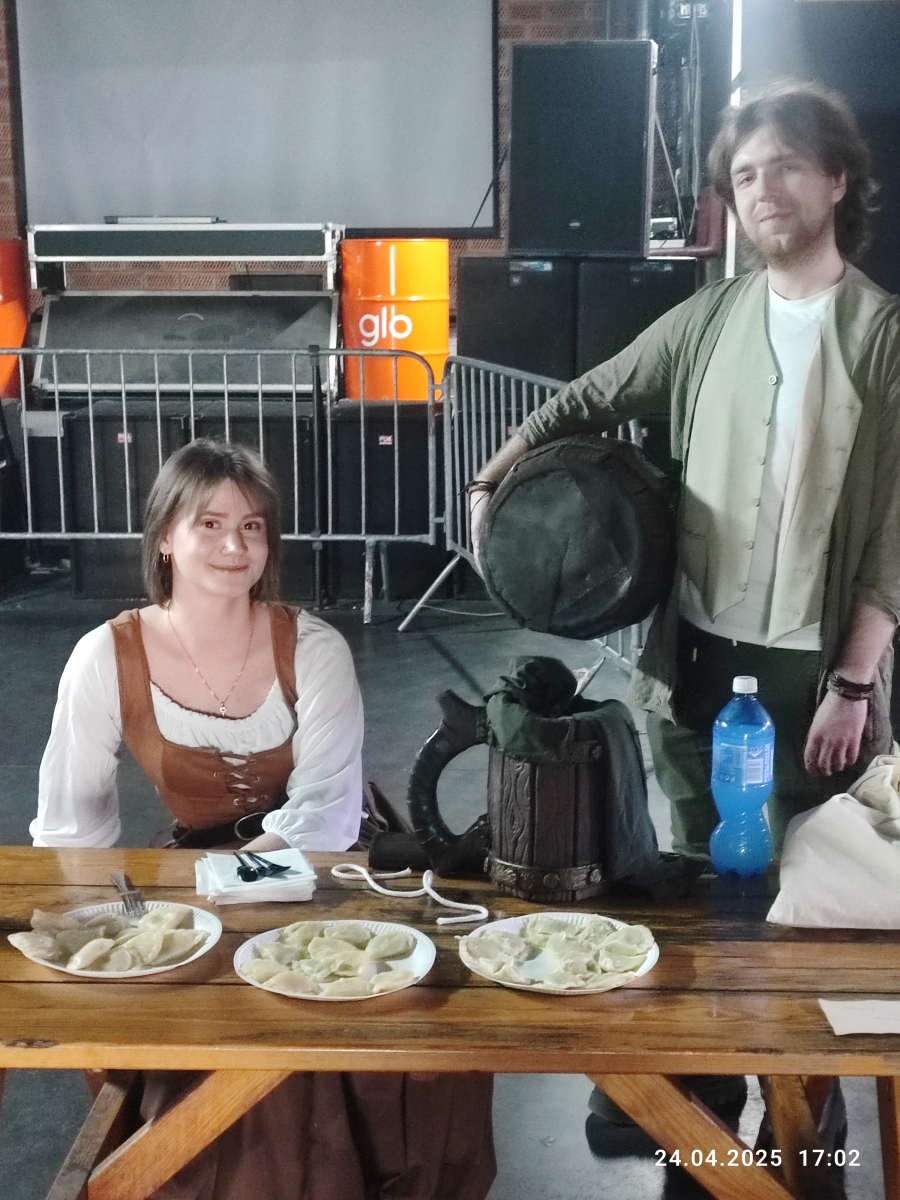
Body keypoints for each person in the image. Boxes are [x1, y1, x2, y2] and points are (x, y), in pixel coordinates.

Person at [33, 438, 496, 1200]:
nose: (234, 545)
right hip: (197, 868)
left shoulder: (313, 647)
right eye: (210, 524)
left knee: (387, 1014)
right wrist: (122, 919)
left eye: (252, 527)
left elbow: (324, 812)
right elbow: (73, 827)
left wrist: (222, 884)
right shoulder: (104, 656)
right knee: (222, 1038)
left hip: (336, 864)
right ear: (165, 538)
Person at [470, 81, 900, 862]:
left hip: (816, 674)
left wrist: (853, 684)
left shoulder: (885, 338)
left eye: (787, 165)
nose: (764, 189)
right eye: (745, 174)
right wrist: (488, 482)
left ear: (838, 179)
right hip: (693, 660)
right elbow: (591, 397)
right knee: (700, 874)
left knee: (813, 881)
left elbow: (896, 537)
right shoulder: (707, 318)